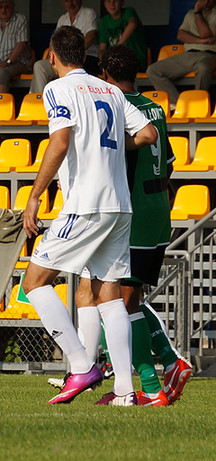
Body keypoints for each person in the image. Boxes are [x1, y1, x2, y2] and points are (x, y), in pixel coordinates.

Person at [20, 26, 157, 406]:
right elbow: (148, 134)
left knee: (34, 282)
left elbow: (60, 141)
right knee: (109, 296)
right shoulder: (111, 89)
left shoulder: (57, 89)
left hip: (85, 202)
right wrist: (109, 148)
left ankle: (81, 364)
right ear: (85, 55)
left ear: (52, 57)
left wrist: (34, 197)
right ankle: (126, 393)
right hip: (119, 204)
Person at [69, 45, 191, 406]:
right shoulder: (154, 106)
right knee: (130, 297)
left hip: (133, 214)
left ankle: (152, 383)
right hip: (157, 209)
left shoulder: (119, 106)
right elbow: (167, 162)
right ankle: (169, 365)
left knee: (118, 305)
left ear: (105, 74)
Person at [147, 0, 216, 112]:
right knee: (153, 70)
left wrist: (198, 11)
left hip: (209, 54)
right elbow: (181, 35)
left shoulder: (211, 13)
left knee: (203, 67)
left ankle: (198, 104)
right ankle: (181, 104)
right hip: (188, 54)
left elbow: (205, 33)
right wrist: (201, 41)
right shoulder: (190, 14)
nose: (206, 1)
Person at [29, 0, 98, 93]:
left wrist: (74, 53)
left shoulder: (89, 13)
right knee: (40, 66)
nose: (70, 3)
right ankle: (39, 103)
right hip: (63, 60)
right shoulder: (62, 19)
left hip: (84, 59)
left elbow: (91, 36)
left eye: (73, 0)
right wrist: (49, 60)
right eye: (66, 1)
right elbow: (54, 43)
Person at [98, 0, 147, 71]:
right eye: (108, 1)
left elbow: (133, 24)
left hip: (135, 59)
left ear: (122, 2)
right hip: (116, 62)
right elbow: (102, 48)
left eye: (115, 0)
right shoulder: (104, 21)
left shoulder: (128, 11)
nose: (112, 4)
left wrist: (117, 47)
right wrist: (103, 62)